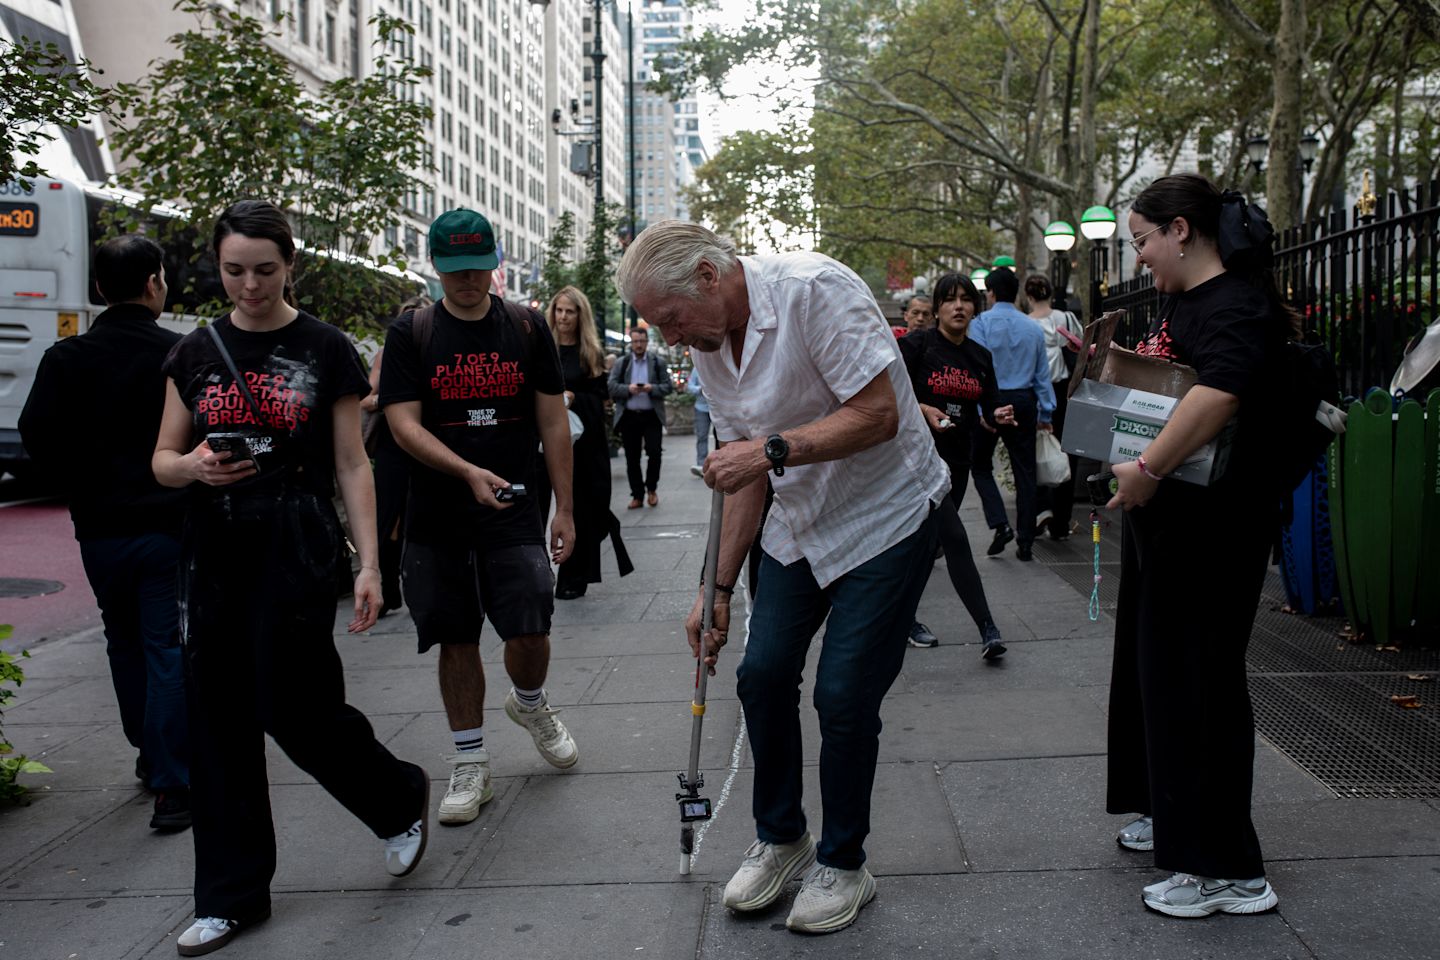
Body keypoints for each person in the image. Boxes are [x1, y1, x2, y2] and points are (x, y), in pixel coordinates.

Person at [617, 220, 947, 936]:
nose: (670, 339)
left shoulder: (814, 291)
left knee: (844, 691)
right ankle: (781, 836)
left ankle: (844, 861)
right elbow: (744, 477)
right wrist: (718, 588)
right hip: (800, 521)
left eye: (671, 320)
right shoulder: (709, 344)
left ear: (709, 277)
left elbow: (880, 413)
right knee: (761, 675)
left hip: (888, 514)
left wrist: (768, 449)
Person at [152, 200, 430, 957]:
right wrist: (196, 467)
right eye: (234, 270)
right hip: (213, 548)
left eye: (265, 271)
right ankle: (231, 898)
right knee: (216, 721)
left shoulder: (325, 348)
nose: (249, 286)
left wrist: (371, 563)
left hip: (297, 542)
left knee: (296, 705)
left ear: (290, 265)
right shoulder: (194, 351)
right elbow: (163, 458)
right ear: (218, 266)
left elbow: (351, 461)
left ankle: (397, 796)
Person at [1105, 173, 1289, 918]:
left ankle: (1228, 871)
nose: (1139, 256)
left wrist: (1148, 468)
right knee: (1167, 684)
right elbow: (1174, 386)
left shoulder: (1237, 306)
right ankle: (1181, 828)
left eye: (1142, 240)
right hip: (1173, 527)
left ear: (1182, 229)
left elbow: (1218, 394)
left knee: (1201, 689)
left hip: (1213, 534)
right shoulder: (1185, 304)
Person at [379, 208, 579, 832]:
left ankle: (529, 703)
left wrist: (565, 507)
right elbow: (402, 423)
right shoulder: (412, 332)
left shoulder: (524, 326)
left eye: (478, 269)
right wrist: (464, 470)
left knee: (530, 630)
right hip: (437, 515)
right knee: (456, 637)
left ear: (496, 263)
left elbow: (552, 422)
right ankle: (471, 761)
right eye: (455, 271)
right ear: (436, 267)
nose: (468, 282)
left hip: (515, 506)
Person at [18, 235, 191, 831]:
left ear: (97, 289)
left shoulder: (66, 358)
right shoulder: (178, 354)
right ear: (153, 284)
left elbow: (35, 436)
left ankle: (148, 751)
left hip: (99, 528)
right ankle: (173, 784)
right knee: (164, 644)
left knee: (122, 642)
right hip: (166, 523)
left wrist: (83, 479)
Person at [897, 273, 1012, 658]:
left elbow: (991, 406)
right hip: (915, 463)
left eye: (966, 299)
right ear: (938, 308)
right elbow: (887, 396)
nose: (959, 306)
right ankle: (988, 630)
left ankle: (900, 619)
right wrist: (922, 407)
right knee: (955, 540)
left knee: (925, 547)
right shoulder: (917, 345)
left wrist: (1000, 414)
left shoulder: (980, 357)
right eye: (950, 300)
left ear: (975, 308)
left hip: (956, 465)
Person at [543, 285, 633, 598]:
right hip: (543, 443)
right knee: (539, 505)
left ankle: (573, 576)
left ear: (580, 316)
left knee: (582, 507)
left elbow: (600, 399)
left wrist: (574, 398)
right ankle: (537, 573)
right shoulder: (543, 348)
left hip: (583, 446)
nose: (563, 316)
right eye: (559, 310)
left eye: (570, 311)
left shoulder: (590, 353)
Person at [967, 267, 1055, 561]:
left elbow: (977, 368)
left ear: (990, 293)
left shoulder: (980, 324)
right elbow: (1043, 375)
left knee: (979, 465)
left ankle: (1000, 523)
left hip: (992, 398)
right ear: (1016, 293)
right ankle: (1026, 540)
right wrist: (1046, 413)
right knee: (1025, 472)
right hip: (1024, 399)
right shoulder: (1032, 328)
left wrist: (981, 409)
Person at [360, 295, 432, 614]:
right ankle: (388, 585)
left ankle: (424, 584)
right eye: (406, 320)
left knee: (426, 515)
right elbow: (366, 399)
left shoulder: (438, 352)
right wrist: (393, 399)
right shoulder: (387, 354)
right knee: (389, 517)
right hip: (393, 443)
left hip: (431, 444)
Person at [1023, 273, 1083, 540]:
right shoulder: (1066, 318)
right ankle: (1061, 520)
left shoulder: (1025, 324)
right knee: (1066, 451)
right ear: (1050, 293)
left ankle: (1040, 508)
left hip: (1034, 391)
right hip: (1064, 390)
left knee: (1034, 451)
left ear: (1028, 296)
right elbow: (1081, 347)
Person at [607, 326, 672, 508]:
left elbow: (668, 386)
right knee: (631, 457)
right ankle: (637, 495)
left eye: (642, 341)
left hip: (651, 416)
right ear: (631, 342)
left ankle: (651, 489)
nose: (639, 345)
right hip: (629, 416)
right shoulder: (623, 362)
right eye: (635, 341)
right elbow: (611, 386)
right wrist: (629, 389)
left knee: (655, 453)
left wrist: (652, 388)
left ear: (647, 342)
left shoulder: (657, 362)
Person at [687, 362, 712, 477]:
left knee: (723, 436)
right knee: (702, 436)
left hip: (718, 407)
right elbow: (690, 386)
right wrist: (699, 389)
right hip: (701, 408)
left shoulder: (716, 365)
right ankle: (701, 465)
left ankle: (724, 463)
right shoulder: (696, 368)